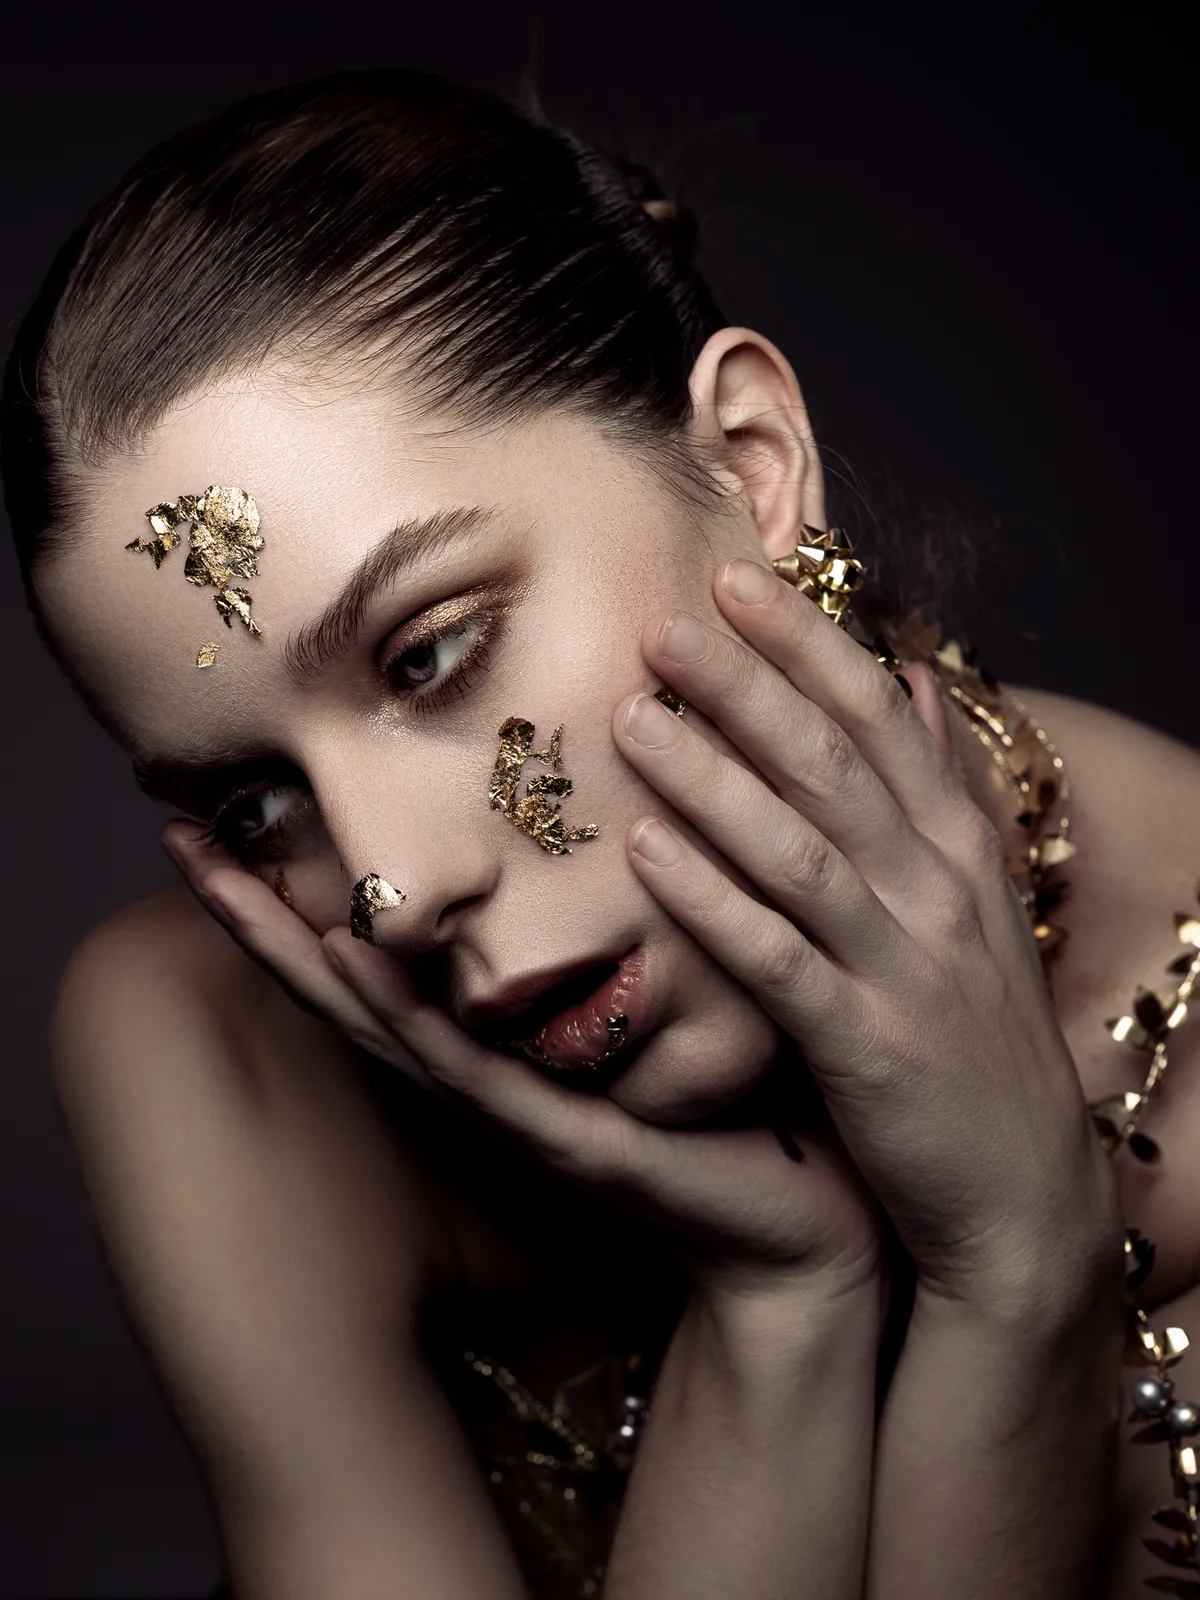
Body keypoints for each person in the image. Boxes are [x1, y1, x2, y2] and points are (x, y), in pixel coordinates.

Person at [3, 67, 1198, 1600]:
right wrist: (780, 1301)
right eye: (254, 804)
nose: (389, 892)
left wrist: (1020, 1273)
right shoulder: (211, 1035)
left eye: (431, 654)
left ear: (749, 464)